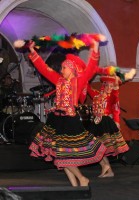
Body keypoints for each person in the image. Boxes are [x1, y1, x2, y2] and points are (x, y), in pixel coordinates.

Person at [27, 37, 107, 187]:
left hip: (70, 121)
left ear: (72, 69)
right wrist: (32, 51)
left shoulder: (79, 81)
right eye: (62, 68)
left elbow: (91, 67)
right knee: (60, 155)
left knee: (62, 156)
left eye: (64, 67)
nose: (61, 70)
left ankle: (82, 179)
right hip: (57, 120)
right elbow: (44, 69)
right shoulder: (58, 80)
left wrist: (95, 48)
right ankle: (75, 186)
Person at [87, 69, 136, 178]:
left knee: (100, 148)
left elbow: (116, 109)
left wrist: (117, 122)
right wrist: (86, 73)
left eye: (112, 86)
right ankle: (108, 169)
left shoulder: (112, 96)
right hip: (96, 123)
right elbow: (86, 86)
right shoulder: (95, 94)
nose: (110, 88)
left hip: (105, 123)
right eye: (108, 85)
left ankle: (106, 167)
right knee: (94, 148)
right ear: (103, 85)